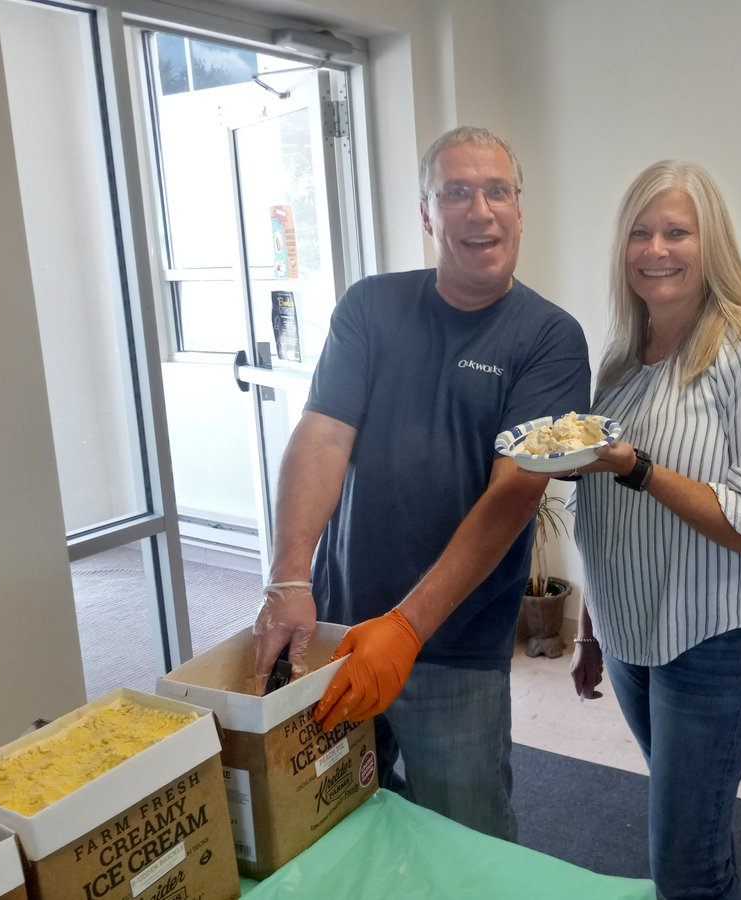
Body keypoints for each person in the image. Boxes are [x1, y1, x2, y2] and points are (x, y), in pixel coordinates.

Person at [250, 126, 591, 840]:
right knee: (337, 830)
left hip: (454, 652)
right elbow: (322, 435)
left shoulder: (549, 337)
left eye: (497, 190)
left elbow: (515, 493)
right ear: (427, 213)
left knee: (464, 846)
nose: (480, 210)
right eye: (456, 192)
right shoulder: (370, 308)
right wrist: (288, 578)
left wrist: (407, 629)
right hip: (340, 631)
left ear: (520, 211)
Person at [569, 160, 741, 899]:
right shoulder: (624, 358)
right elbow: (604, 508)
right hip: (632, 637)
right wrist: (591, 630)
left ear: (710, 241)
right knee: (696, 832)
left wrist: (639, 467)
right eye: (640, 233)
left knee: (684, 863)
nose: (657, 249)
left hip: (713, 637)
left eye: (676, 231)